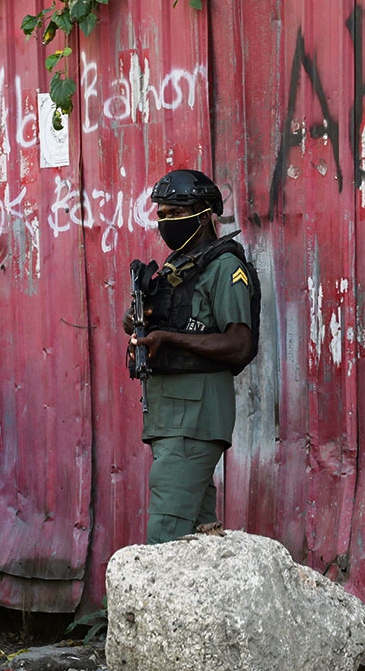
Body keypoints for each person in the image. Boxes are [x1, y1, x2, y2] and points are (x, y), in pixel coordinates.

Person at [123, 169, 257, 544]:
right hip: (170, 418)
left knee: (165, 537)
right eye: (161, 214)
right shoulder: (177, 267)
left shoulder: (225, 268)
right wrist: (139, 325)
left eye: (173, 213)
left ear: (202, 214)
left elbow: (239, 344)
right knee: (200, 539)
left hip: (194, 419)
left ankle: (147, 607)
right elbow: (172, 328)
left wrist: (170, 339)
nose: (164, 222)